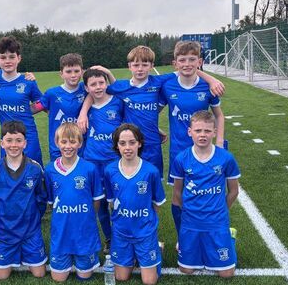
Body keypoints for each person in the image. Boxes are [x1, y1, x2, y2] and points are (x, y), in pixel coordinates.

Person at [78, 45, 224, 177]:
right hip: (130, 143)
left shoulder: (158, 82)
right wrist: (83, 113)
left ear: (151, 65)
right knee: (128, 181)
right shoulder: (122, 87)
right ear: (129, 66)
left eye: (144, 64)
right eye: (136, 65)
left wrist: (211, 80)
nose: (140, 69)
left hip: (152, 143)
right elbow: (95, 93)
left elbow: (185, 70)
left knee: (153, 182)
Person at [162, 40, 225, 235]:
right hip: (178, 151)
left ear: (200, 61)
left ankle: (206, 231)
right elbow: (152, 109)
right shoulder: (168, 84)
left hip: (206, 151)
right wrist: (155, 129)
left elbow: (219, 115)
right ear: (175, 63)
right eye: (182, 60)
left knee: (206, 193)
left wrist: (220, 142)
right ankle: (183, 236)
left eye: (192, 59)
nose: (187, 64)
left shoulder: (207, 87)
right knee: (178, 195)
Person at [170, 111, 240, 278]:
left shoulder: (226, 158)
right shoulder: (181, 158)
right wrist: (184, 222)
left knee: (226, 274)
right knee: (186, 270)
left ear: (215, 132)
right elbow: (177, 193)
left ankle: (229, 238)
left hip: (216, 221)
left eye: (207, 131)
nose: (202, 135)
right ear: (190, 132)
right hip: (191, 221)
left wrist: (221, 210)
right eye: (198, 130)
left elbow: (234, 191)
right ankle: (190, 244)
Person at [104, 124, 166, 285]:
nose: (127, 147)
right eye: (122, 143)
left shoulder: (151, 171)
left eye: (132, 142)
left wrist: (147, 224)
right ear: (117, 146)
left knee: (149, 281)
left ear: (139, 143)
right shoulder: (110, 170)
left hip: (144, 232)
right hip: (121, 232)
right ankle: (132, 255)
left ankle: (156, 248)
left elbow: (156, 204)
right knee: (121, 277)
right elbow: (111, 203)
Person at [44, 122, 104, 282]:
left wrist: (88, 216)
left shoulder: (90, 168)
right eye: (63, 142)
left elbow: (96, 200)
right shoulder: (50, 170)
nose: (68, 146)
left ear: (80, 143)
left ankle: (83, 254)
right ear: (57, 143)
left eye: (72, 142)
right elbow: (51, 202)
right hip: (61, 230)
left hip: (84, 231)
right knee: (58, 278)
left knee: (84, 276)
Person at [0, 120, 47, 279]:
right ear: (1, 143)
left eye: (18, 140)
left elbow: (41, 199)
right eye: (9, 140)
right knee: (1, 276)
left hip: (30, 230)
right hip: (4, 231)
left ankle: (26, 248)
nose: (14, 145)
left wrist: (33, 219)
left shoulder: (34, 168)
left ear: (25, 143)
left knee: (39, 273)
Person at [0, 36, 45, 166]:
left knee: (34, 173)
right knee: (8, 175)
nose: (8, 61)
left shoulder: (28, 82)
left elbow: (42, 103)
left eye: (12, 57)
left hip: (28, 136)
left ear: (19, 58)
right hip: (7, 138)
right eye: (3, 57)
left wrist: (28, 110)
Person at [80, 66, 123, 249]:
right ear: (87, 88)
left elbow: (131, 122)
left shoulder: (118, 102)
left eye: (101, 82)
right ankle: (109, 238)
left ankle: (122, 236)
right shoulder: (84, 105)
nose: (98, 87)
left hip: (114, 161)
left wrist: (108, 72)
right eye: (93, 84)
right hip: (92, 161)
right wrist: (83, 112)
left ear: (106, 83)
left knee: (119, 201)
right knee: (100, 201)